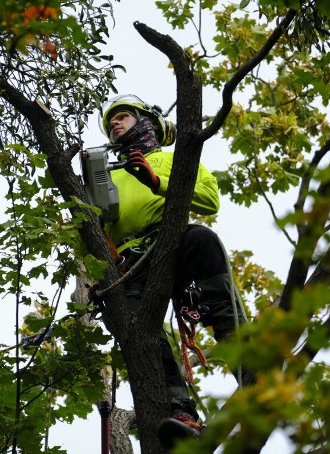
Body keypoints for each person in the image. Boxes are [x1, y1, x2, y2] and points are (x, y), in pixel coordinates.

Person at [99, 94, 247, 448]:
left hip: (172, 239)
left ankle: (243, 351)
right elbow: (98, 233)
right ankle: (179, 410)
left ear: (146, 121)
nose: (115, 125)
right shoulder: (108, 179)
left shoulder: (171, 160)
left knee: (202, 240)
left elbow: (209, 199)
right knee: (134, 322)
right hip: (130, 259)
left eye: (121, 117)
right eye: (110, 124)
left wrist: (157, 182)